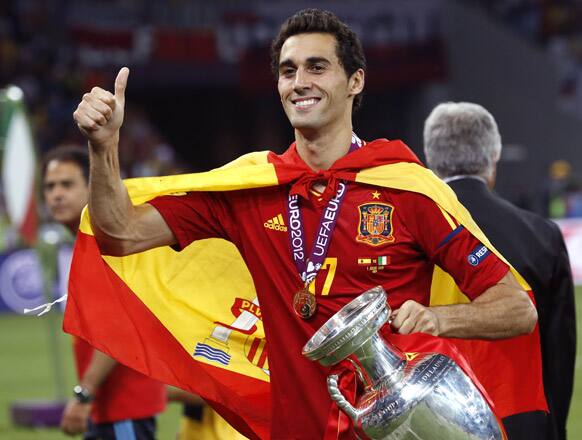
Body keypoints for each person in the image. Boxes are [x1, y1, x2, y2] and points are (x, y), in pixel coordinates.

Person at [72, 9, 540, 438]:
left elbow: (517, 309)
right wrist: (103, 147)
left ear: (355, 81)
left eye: (317, 67)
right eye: (288, 70)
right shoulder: (251, 188)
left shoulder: (408, 189)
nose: (300, 82)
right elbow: (121, 233)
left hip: (397, 428)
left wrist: (440, 317)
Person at [423, 102, 577, 440]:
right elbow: (559, 352)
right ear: (494, 157)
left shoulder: (407, 235)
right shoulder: (541, 235)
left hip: (432, 423)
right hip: (523, 419)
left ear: (430, 161)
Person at [42, 145, 166, 439]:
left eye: (67, 184)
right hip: (107, 407)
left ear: (91, 186)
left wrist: (83, 394)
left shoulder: (107, 243)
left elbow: (120, 326)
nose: (56, 194)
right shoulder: (87, 243)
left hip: (124, 408)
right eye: (49, 187)